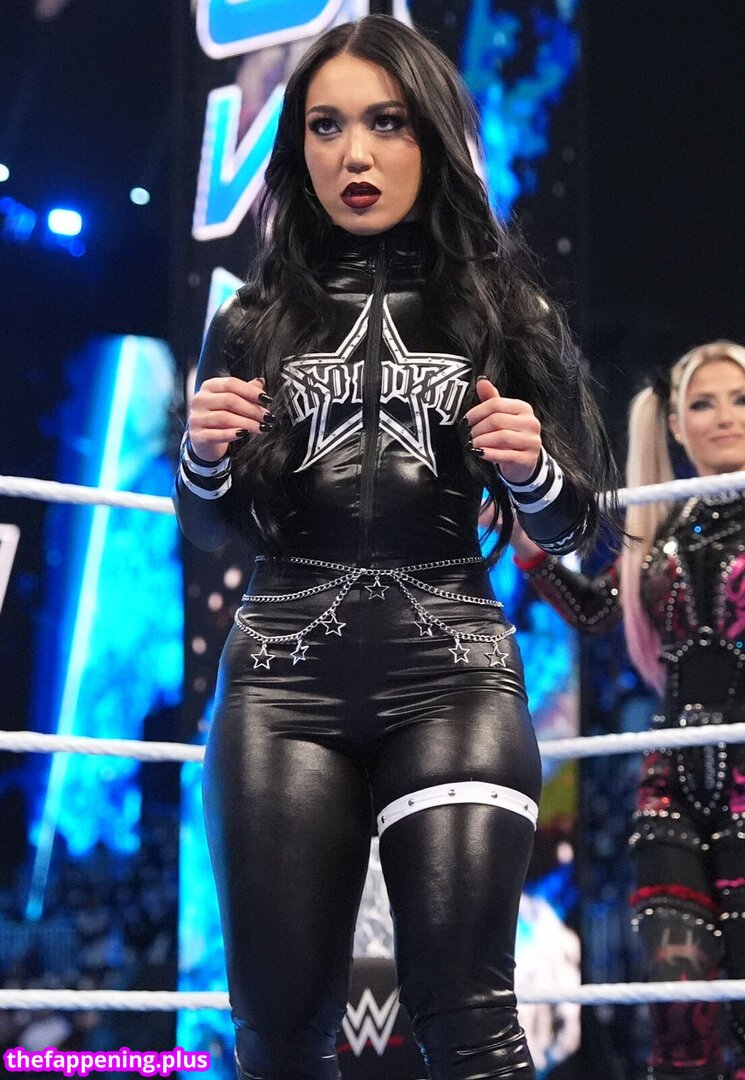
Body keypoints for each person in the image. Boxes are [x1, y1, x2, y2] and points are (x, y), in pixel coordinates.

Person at [173, 14, 619, 1080]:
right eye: (325, 126)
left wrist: (532, 471)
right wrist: (200, 457)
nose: (354, 154)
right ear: (297, 148)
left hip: (451, 676)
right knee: (278, 1036)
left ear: (434, 138)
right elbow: (208, 528)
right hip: (281, 684)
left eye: (386, 122)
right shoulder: (252, 320)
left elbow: (581, 533)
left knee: (467, 1020)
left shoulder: (506, 309)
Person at [511, 340, 745, 1080]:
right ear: (674, 425)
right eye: (703, 403)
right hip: (671, 777)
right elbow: (595, 610)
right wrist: (529, 550)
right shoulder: (662, 530)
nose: (724, 417)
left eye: (740, 398)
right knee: (677, 994)